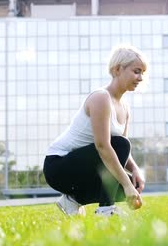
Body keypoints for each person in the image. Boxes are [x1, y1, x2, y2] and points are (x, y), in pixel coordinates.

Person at [43, 44, 147, 217]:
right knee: (121, 161)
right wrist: (127, 186)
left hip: (83, 166)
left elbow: (123, 152)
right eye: (136, 71)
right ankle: (106, 210)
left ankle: (72, 200)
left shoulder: (125, 108)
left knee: (130, 182)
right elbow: (104, 146)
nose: (141, 78)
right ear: (117, 69)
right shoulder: (101, 98)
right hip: (58, 166)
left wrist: (135, 170)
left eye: (143, 73)